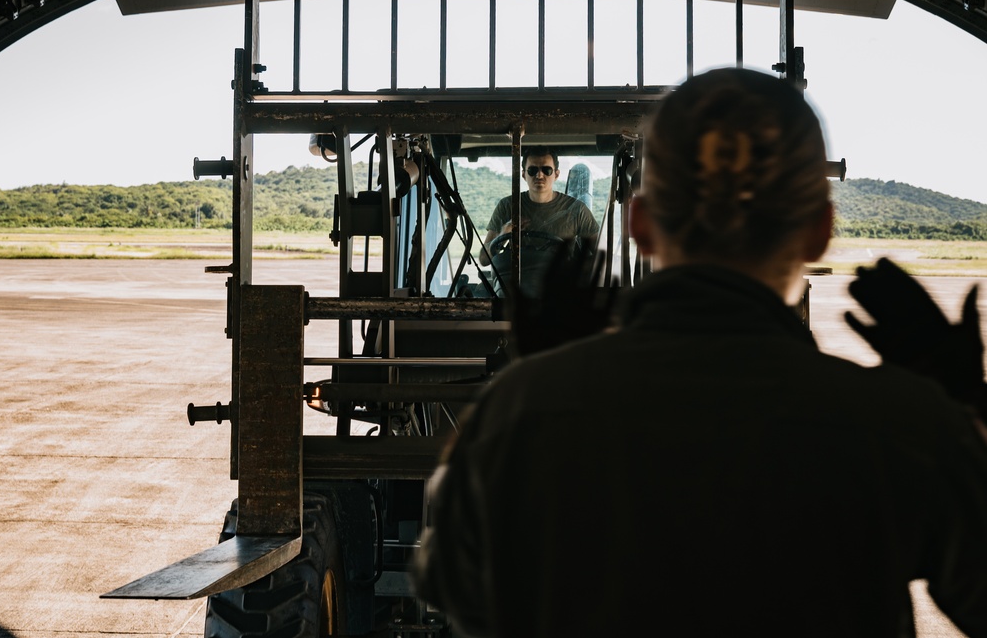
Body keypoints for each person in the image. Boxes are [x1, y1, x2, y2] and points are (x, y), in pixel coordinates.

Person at [413, 68, 987, 637]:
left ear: (641, 225)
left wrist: (541, 376)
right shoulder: (901, 428)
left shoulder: (522, 414)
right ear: (819, 230)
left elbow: (455, 589)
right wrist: (963, 411)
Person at [478, 146, 599, 267]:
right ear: (524, 175)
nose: (539, 175)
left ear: (556, 175)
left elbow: (603, 256)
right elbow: (484, 259)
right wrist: (503, 234)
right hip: (516, 282)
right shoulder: (507, 206)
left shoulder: (577, 210)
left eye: (547, 170)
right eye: (532, 170)